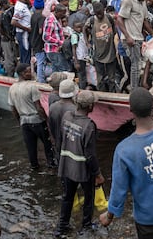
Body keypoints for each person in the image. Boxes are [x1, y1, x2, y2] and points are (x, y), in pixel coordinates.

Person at [99, 88, 153, 239]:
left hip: (148, 217)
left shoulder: (124, 149)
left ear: (131, 110)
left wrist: (109, 215)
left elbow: (119, 189)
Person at [54, 90, 104, 237]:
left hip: (66, 165)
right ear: (91, 107)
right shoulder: (89, 125)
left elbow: (60, 139)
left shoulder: (66, 116)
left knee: (67, 197)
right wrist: (98, 174)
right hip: (83, 169)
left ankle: (61, 227)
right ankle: (86, 226)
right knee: (89, 197)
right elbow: (90, 155)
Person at [8, 63, 56, 169]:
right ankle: (51, 165)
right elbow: (38, 107)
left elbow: (13, 109)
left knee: (31, 147)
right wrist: (47, 121)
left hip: (24, 121)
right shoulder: (32, 86)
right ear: (23, 74)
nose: (31, 73)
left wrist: (19, 121)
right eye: (29, 71)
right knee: (48, 145)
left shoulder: (12, 88)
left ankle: (34, 167)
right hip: (37, 120)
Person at [116, 0, 153, 89]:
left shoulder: (143, 2)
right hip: (130, 39)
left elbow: (145, 21)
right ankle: (134, 91)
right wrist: (128, 36)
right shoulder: (129, 1)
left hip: (138, 38)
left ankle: (135, 87)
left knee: (138, 65)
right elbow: (119, 19)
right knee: (136, 65)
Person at [85, 2, 117, 92]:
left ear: (104, 10)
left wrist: (113, 34)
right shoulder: (91, 20)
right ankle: (102, 94)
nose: (99, 15)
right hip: (98, 54)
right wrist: (87, 42)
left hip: (110, 52)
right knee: (100, 78)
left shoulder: (109, 17)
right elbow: (84, 29)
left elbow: (114, 26)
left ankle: (112, 94)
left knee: (112, 77)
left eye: (101, 13)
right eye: (97, 14)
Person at [48, 78, 78, 163]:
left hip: (57, 142)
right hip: (71, 145)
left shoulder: (52, 107)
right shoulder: (74, 109)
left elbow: (50, 125)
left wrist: (53, 139)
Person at [43, 4, 71, 72]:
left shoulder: (57, 19)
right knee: (63, 69)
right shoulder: (51, 20)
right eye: (62, 13)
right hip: (53, 50)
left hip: (57, 49)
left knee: (56, 70)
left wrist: (65, 34)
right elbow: (46, 37)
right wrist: (61, 42)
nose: (64, 15)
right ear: (57, 12)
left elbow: (55, 32)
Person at [12, 0, 32, 64]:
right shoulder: (20, 8)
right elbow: (13, 22)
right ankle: (24, 70)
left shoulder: (24, 6)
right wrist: (27, 29)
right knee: (25, 54)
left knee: (25, 53)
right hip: (23, 33)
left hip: (25, 33)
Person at [30, 0, 47, 82]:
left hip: (32, 40)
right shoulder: (42, 17)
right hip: (39, 42)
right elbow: (41, 31)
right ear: (43, 7)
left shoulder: (32, 16)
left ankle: (36, 76)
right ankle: (41, 80)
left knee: (36, 60)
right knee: (40, 61)